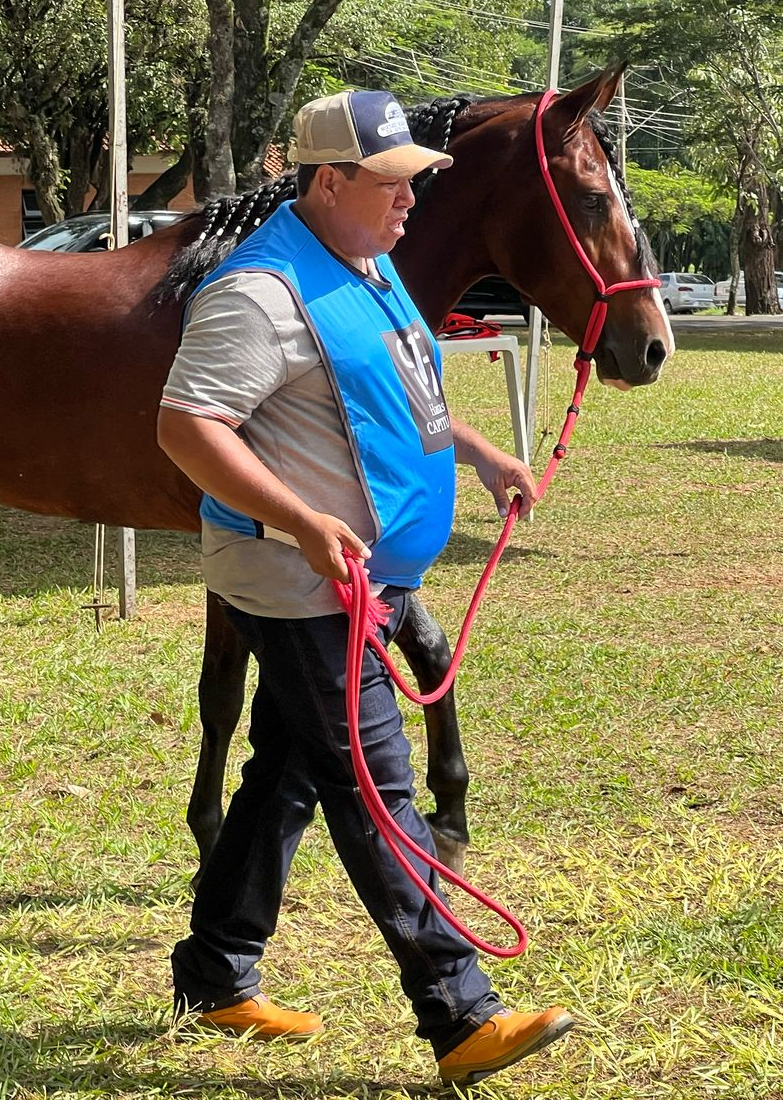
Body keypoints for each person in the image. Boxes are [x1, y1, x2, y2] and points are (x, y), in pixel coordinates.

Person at [156, 90, 575, 1087]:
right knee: (378, 787)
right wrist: (301, 519)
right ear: (328, 180)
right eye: (391, 183)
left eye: (416, 180)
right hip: (298, 581)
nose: (410, 203)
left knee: (287, 771)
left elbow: (402, 396)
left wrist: (474, 452)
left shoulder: (369, 263)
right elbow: (186, 426)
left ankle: (213, 970)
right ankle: (459, 1011)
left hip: (357, 575)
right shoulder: (257, 291)